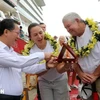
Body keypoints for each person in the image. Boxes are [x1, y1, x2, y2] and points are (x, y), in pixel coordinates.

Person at [0, 18, 57, 100]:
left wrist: (46, 65)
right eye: (17, 33)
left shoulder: (10, 51)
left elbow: (26, 68)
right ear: (6, 32)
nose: (19, 37)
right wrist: (43, 55)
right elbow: (19, 62)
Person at [22, 23, 69, 100]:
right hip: (44, 81)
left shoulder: (54, 45)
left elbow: (60, 69)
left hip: (60, 79)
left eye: (40, 33)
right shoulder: (30, 51)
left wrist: (66, 66)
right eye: (35, 35)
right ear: (30, 37)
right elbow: (36, 72)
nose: (39, 36)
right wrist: (47, 66)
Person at [62, 12, 100, 100]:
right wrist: (80, 73)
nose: (67, 30)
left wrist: (95, 75)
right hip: (85, 81)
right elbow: (74, 62)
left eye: (68, 26)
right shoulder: (73, 40)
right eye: (65, 28)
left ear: (77, 20)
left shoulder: (97, 30)